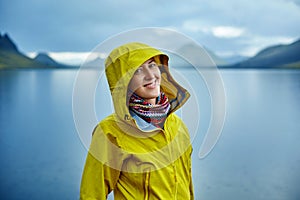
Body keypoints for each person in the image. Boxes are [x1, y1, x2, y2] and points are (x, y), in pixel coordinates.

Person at [80, 42, 194, 199]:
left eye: (152, 65)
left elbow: (187, 185)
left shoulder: (178, 127)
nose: (150, 75)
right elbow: (91, 194)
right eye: (138, 70)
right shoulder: (110, 133)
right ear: (123, 82)